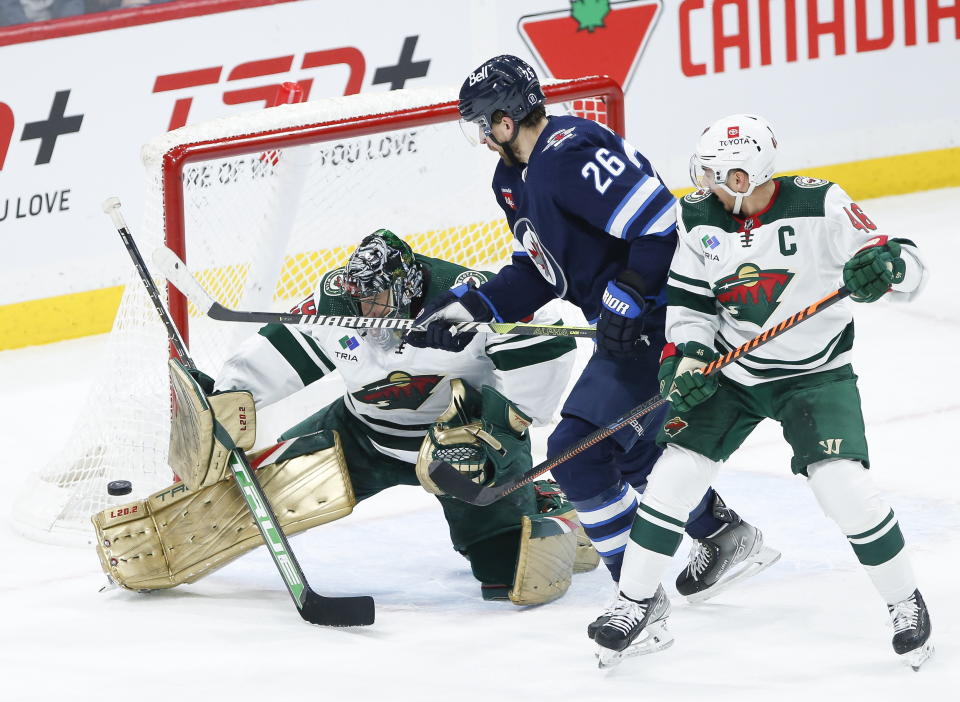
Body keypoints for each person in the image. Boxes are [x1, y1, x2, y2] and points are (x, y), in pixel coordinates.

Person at [405, 55, 779, 640]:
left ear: (505, 120)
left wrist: (631, 293)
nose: (480, 136)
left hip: (668, 321)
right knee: (628, 452)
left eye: (483, 123)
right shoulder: (513, 180)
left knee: (577, 451)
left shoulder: (568, 152)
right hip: (627, 328)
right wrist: (470, 307)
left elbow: (659, 221)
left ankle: (638, 599)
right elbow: (541, 273)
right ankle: (725, 533)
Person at [592, 113, 934, 669]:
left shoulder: (821, 204)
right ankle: (635, 604)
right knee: (674, 474)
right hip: (735, 375)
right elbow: (691, 303)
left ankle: (905, 602)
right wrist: (691, 354)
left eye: (715, 174)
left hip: (815, 373)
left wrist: (890, 266)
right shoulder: (697, 216)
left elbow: (906, 266)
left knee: (842, 487)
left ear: (745, 175)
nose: (703, 184)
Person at [94, 229, 596, 606]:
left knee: (505, 573)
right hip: (360, 435)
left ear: (406, 287)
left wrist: (504, 419)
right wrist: (231, 395)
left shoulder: (465, 295)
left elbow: (547, 339)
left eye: (375, 298)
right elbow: (287, 348)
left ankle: (551, 508)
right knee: (250, 497)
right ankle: (168, 543)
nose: (363, 308)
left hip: (458, 442)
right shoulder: (339, 300)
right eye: (358, 297)